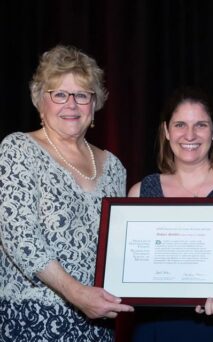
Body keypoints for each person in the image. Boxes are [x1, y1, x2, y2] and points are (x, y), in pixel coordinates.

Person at [0, 45, 134, 341]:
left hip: (97, 324)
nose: (71, 105)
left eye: (82, 95)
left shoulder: (114, 167)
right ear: (40, 101)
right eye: (59, 94)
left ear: (94, 103)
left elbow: (122, 247)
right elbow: (19, 237)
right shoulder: (18, 150)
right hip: (32, 320)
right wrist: (77, 294)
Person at [128, 86, 213, 341]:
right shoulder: (141, 192)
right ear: (167, 131)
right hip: (156, 326)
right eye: (180, 124)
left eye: (200, 125)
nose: (190, 134)